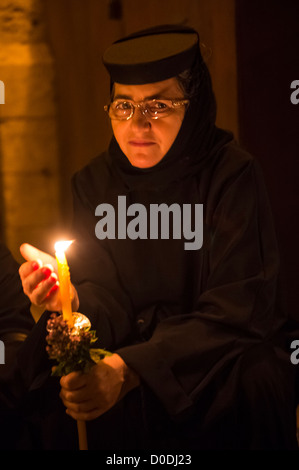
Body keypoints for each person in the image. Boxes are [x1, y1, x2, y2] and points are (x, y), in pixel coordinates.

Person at [18, 25, 298, 450]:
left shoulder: (232, 176)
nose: (139, 125)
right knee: (52, 387)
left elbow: (237, 307)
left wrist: (131, 368)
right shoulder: (93, 183)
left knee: (253, 377)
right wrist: (70, 299)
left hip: (212, 355)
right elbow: (104, 292)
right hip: (125, 344)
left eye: (158, 105)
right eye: (124, 105)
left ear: (193, 105)